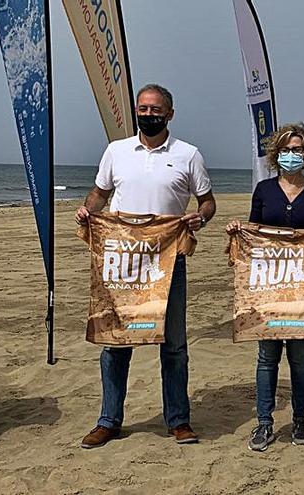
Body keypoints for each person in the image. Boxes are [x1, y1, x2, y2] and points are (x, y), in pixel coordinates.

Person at [74, 83, 216, 449]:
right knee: (116, 342)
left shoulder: (188, 155)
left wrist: (199, 218)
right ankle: (108, 421)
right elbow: (100, 194)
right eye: (143, 108)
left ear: (169, 114)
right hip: (122, 263)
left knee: (173, 345)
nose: (148, 114)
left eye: (155, 110)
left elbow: (207, 201)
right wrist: (89, 211)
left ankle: (179, 421)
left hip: (168, 262)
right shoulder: (116, 151)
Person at [225, 123, 304, 452]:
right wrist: (237, 231)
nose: (292, 155)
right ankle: (264, 423)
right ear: (276, 154)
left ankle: (300, 419)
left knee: (299, 358)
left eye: (298, 149)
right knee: (266, 357)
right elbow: (254, 234)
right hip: (267, 288)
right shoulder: (264, 190)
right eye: (287, 150)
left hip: (302, 289)